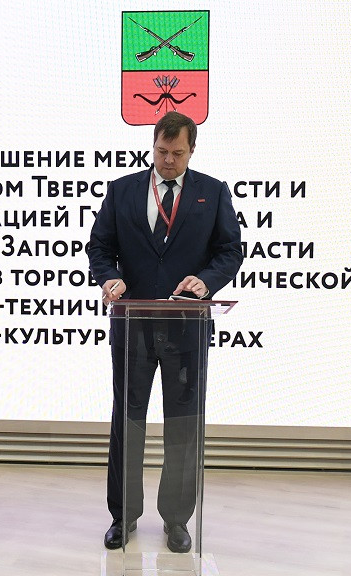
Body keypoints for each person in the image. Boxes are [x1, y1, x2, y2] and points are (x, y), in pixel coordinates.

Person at [88, 111, 242, 553]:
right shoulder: (122, 190)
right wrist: (109, 278)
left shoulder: (213, 192)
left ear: (192, 150)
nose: (168, 160)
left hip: (186, 328)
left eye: (177, 153)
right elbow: (100, 247)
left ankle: (176, 519)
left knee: (182, 424)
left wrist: (206, 282)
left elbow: (230, 251)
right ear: (152, 146)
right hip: (133, 325)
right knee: (128, 419)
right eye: (161, 151)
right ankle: (123, 515)